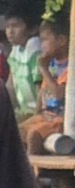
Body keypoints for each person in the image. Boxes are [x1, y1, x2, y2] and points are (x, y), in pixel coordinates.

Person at [19, 17, 68, 153]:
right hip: (44, 117)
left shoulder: (70, 67)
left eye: (45, 40)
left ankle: (33, 172)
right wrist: (36, 115)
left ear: (61, 41)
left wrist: (43, 69)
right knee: (17, 131)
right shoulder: (51, 64)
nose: (42, 46)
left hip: (60, 118)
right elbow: (42, 93)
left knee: (33, 135)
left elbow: (58, 95)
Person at [3, 7, 44, 117]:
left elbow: (40, 85)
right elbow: (11, 85)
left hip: (36, 110)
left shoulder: (34, 47)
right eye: (7, 27)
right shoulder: (15, 50)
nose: (10, 32)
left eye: (15, 26)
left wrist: (37, 114)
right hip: (23, 110)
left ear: (32, 29)